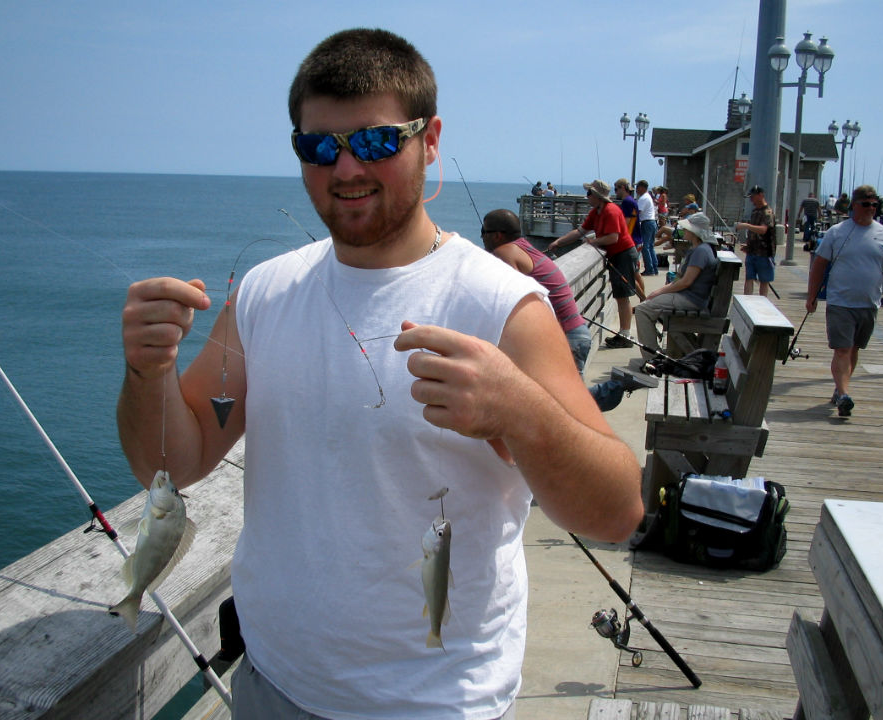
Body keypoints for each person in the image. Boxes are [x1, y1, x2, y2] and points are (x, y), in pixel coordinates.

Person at [117, 29, 643, 720]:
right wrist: (148, 371)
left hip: (438, 704)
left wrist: (520, 409)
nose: (343, 168)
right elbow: (174, 460)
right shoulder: (265, 296)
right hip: (271, 686)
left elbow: (616, 511)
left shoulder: (500, 305)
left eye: (373, 141)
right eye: (317, 146)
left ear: (431, 141)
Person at [805, 185, 883, 418]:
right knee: (842, 349)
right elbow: (819, 264)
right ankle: (844, 396)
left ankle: (840, 387)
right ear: (854, 205)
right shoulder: (837, 232)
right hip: (840, 302)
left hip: (868, 303)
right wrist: (812, 296)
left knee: (853, 349)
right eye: (866, 204)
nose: (871, 208)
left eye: (874, 204)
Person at [482, 209, 591, 372]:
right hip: (575, 332)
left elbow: (507, 297)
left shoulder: (504, 252)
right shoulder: (525, 248)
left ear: (497, 236)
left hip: (567, 337)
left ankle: (617, 386)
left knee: (566, 397)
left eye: (483, 231)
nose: (481, 236)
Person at [547, 179, 639, 348]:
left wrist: (592, 242)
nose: (587, 196)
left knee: (622, 296)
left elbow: (613, 237)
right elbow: (580, 231)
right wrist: (558, 242)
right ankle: (624, 333)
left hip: (623, 254)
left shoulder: (611, 211)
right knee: (620, 295)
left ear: (597, 196)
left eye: (589, 193)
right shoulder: (595, 212)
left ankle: (625, 335)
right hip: (615, 255)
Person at [633, 212, 719, 362]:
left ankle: (652, 358)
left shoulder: (701, 251)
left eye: (687, 229)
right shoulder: (701, 249)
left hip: (691, 299)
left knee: (642, 310)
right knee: (649, 306)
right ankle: (655, 351)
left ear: (694, 232)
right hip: (693, 297)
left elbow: (686, 282)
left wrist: (658, 291)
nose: (684, 231)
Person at [735, 185, 776, 297]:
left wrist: (746, 225)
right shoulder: (754, 212)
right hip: (752, 252)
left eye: (753, 197)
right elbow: (753, 234)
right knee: (749, 278)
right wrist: (748, 246)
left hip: (764, 253)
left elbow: (763, 230)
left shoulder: (767, 212)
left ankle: (763, 303)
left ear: (760, 195)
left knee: (764, 281)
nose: (751, 200)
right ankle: (747, 302)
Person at [613, 178, 647, 304]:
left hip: (632, 242)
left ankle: (644, 302)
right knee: (636, 274)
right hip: (636, 240)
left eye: (616, 188)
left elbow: (626, 224)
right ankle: (643, 302)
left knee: (631, 274)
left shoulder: (627, 202)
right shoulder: (631, 200)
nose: (615, 191)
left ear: (623, 187)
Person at [636, 180, 659, 276]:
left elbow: (638, 212)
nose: (636, 189)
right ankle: (654, 268)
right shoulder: (648, 197)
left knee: (645, 247)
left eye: (638, 187)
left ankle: (649, 269)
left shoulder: (643, 198)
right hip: (652, 222)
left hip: (647, 222)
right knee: (650, 246)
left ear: (642, 187)